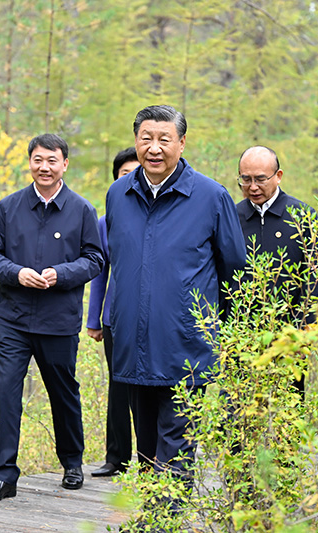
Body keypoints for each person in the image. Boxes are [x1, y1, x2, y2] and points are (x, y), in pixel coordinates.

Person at [106, 105, 245, 478]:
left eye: (164, 139)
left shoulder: (211, 197)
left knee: (177, 452)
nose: (154, 148)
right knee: (147, 452)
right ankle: (154, 508)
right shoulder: (118, 194)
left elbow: (234, 269)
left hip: (186, 347)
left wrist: (214, 329)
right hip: (133, 345)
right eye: (146, 138)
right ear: (136, 141)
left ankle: (168, 511)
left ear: (181, 143)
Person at [0, 134, 104, 502]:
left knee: (63, 393)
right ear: (29, 162)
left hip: (58, 320)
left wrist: (60, 274)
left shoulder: (82, 210)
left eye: (52, 160)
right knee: (5, 392)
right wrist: (16, 273)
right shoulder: (9, 206)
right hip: (12, 319)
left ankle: (72, 462)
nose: (44, 167)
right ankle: (3, 476)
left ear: (65, 164)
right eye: (38, 160)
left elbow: (95, 259)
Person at [234, 145, 318, 391]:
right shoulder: (232, 215)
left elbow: (313, 280)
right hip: (243, 334)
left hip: (288, 334)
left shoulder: (302, 216)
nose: (252, 187)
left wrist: (304, 332)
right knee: (241, 401)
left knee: (288, 399)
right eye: (245, 179)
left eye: (260, 179)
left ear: (278, 176)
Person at [86, 148, 140, 477]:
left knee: (150, 391)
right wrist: (94, 320)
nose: (130, 178)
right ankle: (116, 458)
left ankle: (153, 458)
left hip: (151, 317)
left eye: (136, 172)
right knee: (117, 387)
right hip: (115, 318)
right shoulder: (105, 222)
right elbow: (99, 273)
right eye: (124, 174)